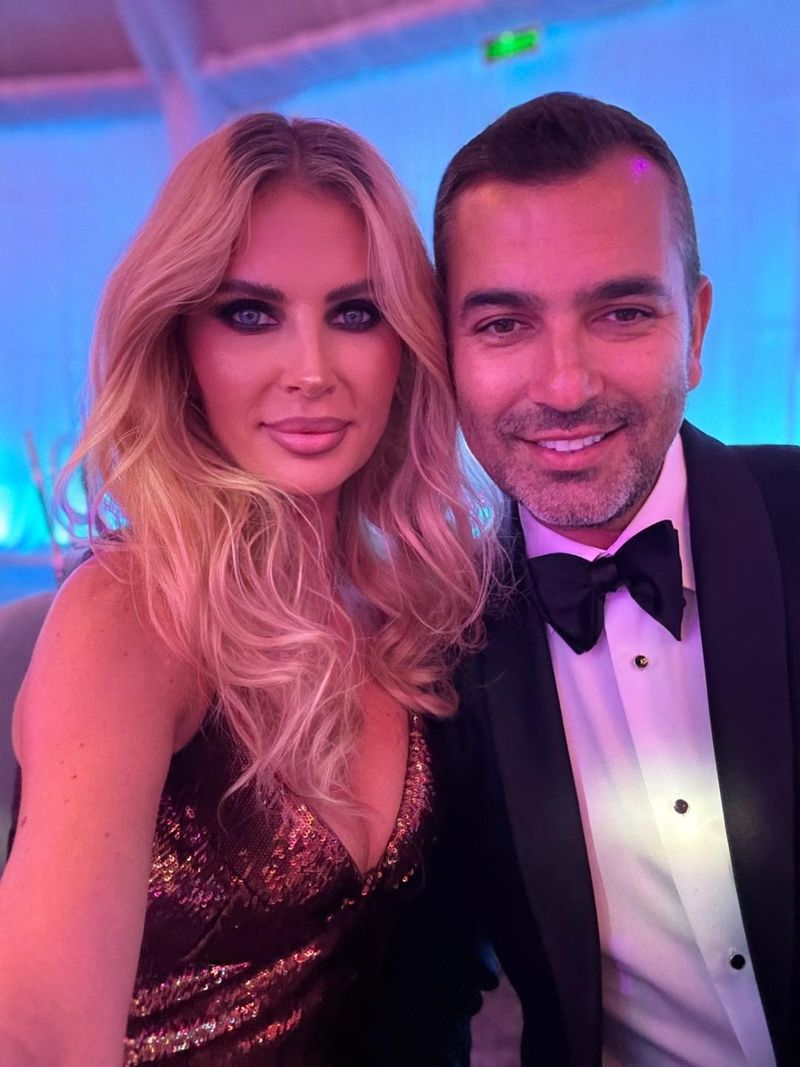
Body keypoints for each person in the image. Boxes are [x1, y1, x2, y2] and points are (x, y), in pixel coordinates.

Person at [0, 112, 495, 1066]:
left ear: (407, 344)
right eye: (250, 314)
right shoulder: (134, 613)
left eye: (356, 313)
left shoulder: (414, 609)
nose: (311, 371)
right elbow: (39, 1030)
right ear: (179, 344)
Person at [372, 92, 799, 1067]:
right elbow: (421, 989)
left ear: (694, 329)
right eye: (503, 324)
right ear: (444, 353)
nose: (563, 385)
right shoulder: (432, 649)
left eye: (621, 312)